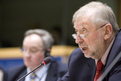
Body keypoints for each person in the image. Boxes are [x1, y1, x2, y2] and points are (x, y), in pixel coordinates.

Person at [57, 1, 121, 81]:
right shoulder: (78, 58)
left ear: (106, 31)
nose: (77, 40)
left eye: (84, 30)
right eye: (77, 31)